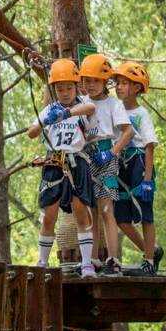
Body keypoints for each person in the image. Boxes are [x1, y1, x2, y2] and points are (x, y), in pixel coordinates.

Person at [28, 59, 97, 278]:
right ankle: (42, 262)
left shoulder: (81, 105)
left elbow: (91, 107)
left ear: (76, 86)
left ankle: (86, 263)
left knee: (80, 212)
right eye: (60, 88)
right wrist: (44, 121)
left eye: (69, 87)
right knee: (49, 215)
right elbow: (31, 132)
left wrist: (67, 114)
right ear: (54, 89)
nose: (65, 92)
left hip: (77, 162)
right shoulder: (49, 109)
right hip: (54, 163)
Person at [79, 54, 133, 276]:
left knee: (106, 208)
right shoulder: (81, 102)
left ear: (105, 82)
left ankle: (113, 259)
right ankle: (92, 259)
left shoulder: (113, 104)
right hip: (85, 155)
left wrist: (112, 153)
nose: (90, 85)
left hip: (106, 155)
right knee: (90, 210)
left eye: (94, 81)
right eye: (86, 81)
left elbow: (128, 132)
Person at [113, 62, 164, 275]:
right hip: (120, 166)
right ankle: (150, 250)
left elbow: (149, 145)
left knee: (145, 213)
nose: (119, 87)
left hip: (140, 164)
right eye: (117, 83)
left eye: (124, 83)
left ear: (137, 88)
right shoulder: (114, 109)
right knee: (121, 217)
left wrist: (147, 180)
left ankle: (149, 263)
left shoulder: (142, 114)